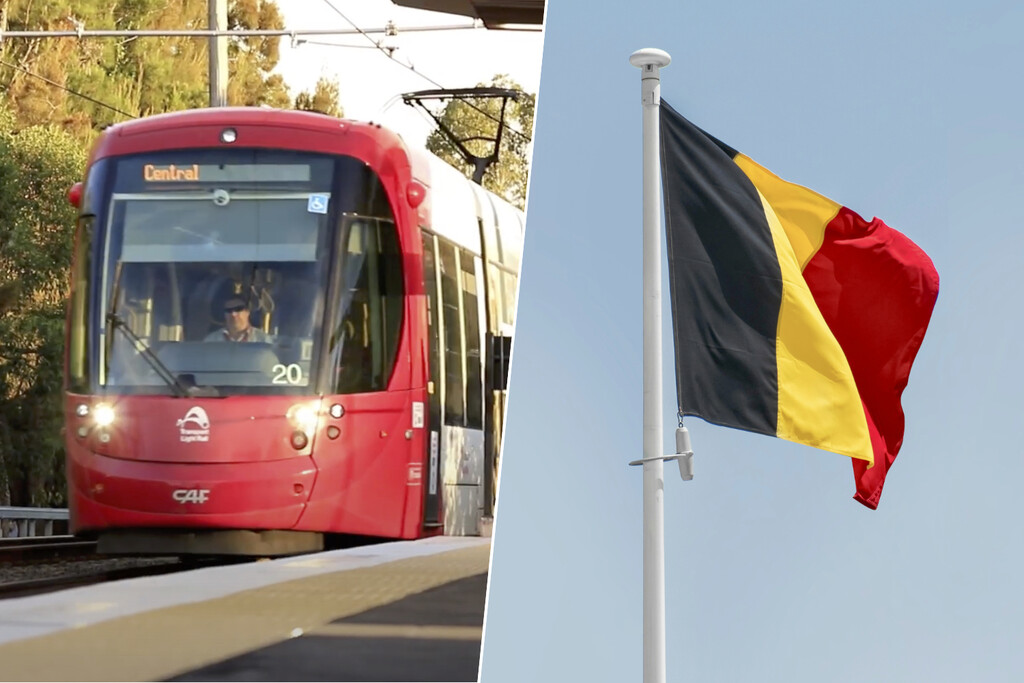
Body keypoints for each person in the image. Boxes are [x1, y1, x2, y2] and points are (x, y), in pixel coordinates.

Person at [204, 297, 270, 342]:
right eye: (229, 310)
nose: (233, 314)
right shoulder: (211, 340)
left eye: (238, 309)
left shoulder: (263, 340)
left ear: (247, 312)